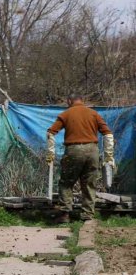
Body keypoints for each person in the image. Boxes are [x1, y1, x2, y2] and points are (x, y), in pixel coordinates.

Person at [47, 93, 114, 223]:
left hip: (73, 151)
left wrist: (50, 154)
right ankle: (87, 215)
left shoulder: (66, 114)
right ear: (82, 100)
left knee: (66, 182)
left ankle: (65, 214)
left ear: (69, 101)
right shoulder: (94, 114)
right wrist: (109, 155)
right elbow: (108, 134)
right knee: (89, 183)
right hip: (92, 150)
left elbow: (50, 133)